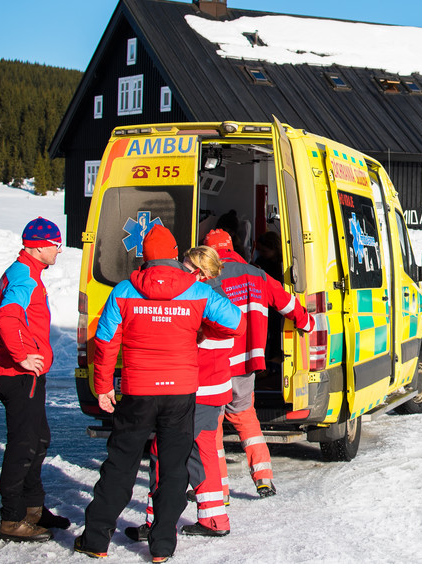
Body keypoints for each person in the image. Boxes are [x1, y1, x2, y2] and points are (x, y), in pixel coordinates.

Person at [75, 226, 243, 561]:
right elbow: (234, 321)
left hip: (138, 391)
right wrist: (200, 325)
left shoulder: (124, 289)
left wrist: (104, 386)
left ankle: (95, 540)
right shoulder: (196, 291)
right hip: (180, 393)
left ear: (145, 256)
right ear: (175, 252)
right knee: (173, 467)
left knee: (120, 465)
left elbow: (106, 342)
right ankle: (162, 546)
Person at [126, 246, 235, 541]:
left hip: (195, 389)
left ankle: (154, 521)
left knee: (163, 454)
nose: (177, 270)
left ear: (198, 272)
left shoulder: (200, 300)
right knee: (201, 454)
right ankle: (214, 517)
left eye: (184, 266)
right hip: (213, 390)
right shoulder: (219, 298)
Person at [203, 228, 316, 500]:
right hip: (246, 365)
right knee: (246, 420)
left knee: (212, 427)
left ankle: (219, 490)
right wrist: (307, 322)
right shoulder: (256, 274)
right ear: (233, 247)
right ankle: (263, 478)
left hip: (215, 363)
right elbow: (287, 303)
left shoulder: (206, 278)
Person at [0, 216, 70, 543]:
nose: (59, 250)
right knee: (23, 447)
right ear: (38, 246)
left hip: (27, 376)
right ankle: (11, 519)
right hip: (20, 376)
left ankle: (33, 508)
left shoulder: (25, 272)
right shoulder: (24, 276)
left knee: (38, 441)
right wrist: (22, 354)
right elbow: (7, 316)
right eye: (55, 244)